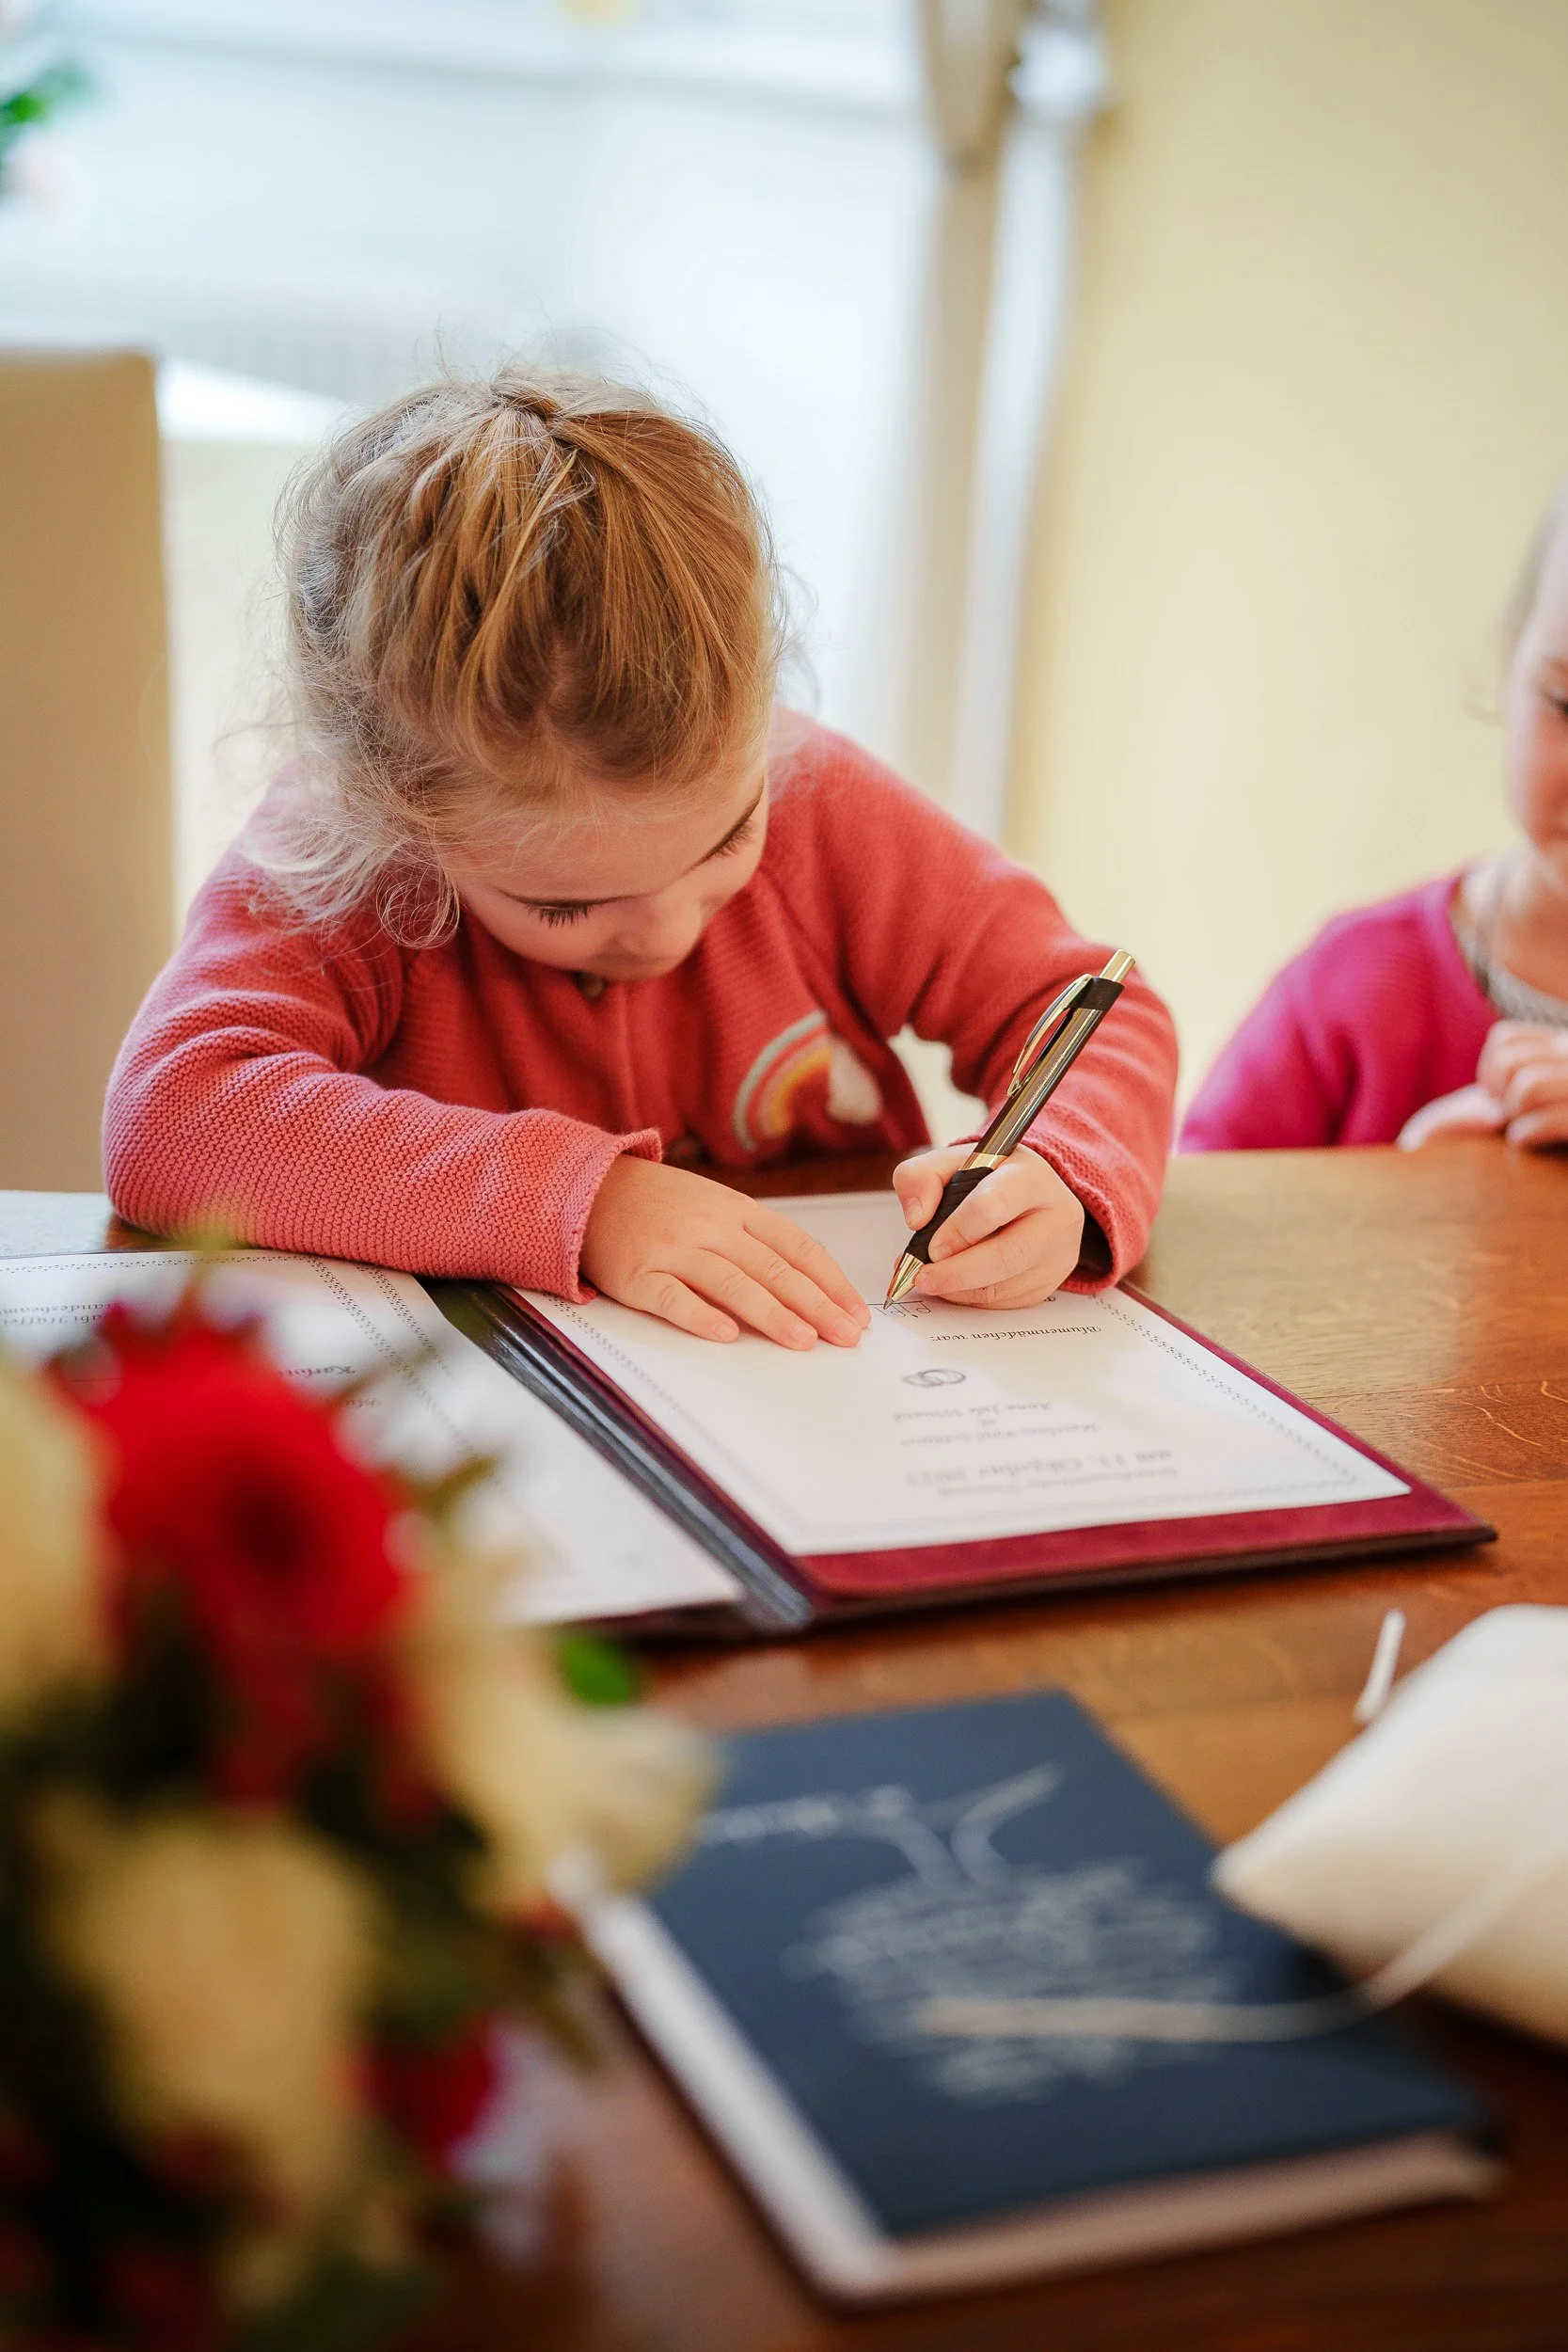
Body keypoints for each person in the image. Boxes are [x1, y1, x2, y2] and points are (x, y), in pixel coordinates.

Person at [105, 370, 1177, 1348]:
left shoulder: (820, 797)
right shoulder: (351, 857)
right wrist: (589, 1200)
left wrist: (1056, 1176)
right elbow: (173, 1115)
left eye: (724, 839)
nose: (667, 928)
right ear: (397, 817)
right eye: (565, 907)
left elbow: (1090, 1007)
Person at [1181, 486, 1568, 1153]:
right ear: (1508, 665)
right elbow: (1194, 1227)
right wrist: (1395, 1200)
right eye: (1566, 703)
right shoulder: (1353, 987)